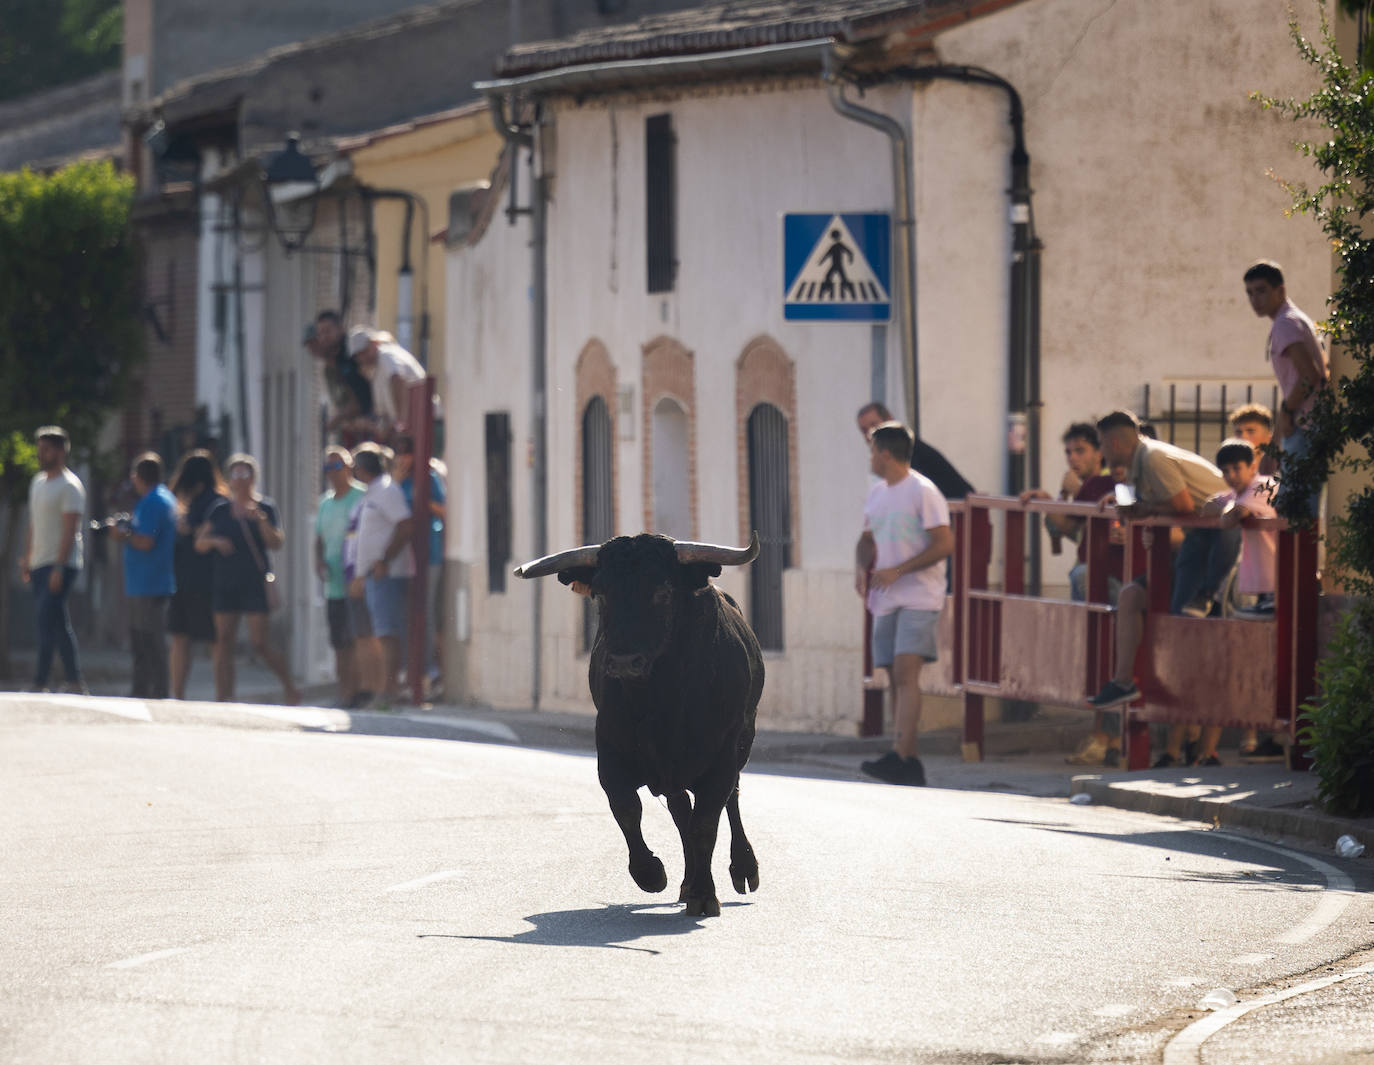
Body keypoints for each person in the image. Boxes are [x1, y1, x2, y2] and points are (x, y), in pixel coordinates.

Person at [1087, 411, 1235, 718]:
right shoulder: (1139, 461)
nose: (1100, 451)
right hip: (1196, 544)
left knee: (1182, 617)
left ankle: (1191, 704)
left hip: (1217, 545)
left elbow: (1180, 505)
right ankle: (1124, 682)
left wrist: (1140, 509)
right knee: (1132, 596)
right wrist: (1119, 500)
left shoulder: (1153, 457)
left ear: (1114, 441)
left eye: (1101, 444)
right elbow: (1138, 500)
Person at [1021, 423, 1128, 767]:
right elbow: (1070, 526)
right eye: (1068, 451)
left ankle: (1108, 738)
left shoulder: (1111, 482)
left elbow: (1075, 523)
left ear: (1102, 452)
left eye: (1080, 450)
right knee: (1102, 659)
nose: (1073, 457)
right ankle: (1109, 739)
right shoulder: (1090, 486)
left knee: (1106, 656)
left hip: (1116, 584)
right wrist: (1050, 501)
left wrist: (1072, 493)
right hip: (1103, 582)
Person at [854, 422, 954, 787]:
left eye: (871, 450)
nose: (869, 457)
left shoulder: (923, 491)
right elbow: (866, 540)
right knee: (893, 676)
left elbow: (945, 544)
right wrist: (860, 567)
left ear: (885, 453)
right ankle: (905, 757)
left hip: (920, 594)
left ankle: (903, 754)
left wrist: (900, 570)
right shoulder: (877, 493)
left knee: (906, 672)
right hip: (886, 596)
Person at [197, 454, 300, 705]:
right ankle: (224, 697)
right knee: (223, 642)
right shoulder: (220, 510)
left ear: (253, 478)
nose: (240, 480)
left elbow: (276, 543)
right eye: (235, 474)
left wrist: (261, 521)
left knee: (259, 643)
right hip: (225, 582)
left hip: (254, 583)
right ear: (229, 480)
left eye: (245, 474)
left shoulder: (265, 508)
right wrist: (215, 542)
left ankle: (290, 686)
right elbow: (199, 543)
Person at [1205, 438, 1285, 761]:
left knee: (1274, 661)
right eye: (1225, 470)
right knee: (1261, 661)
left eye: (1237, 467)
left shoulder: (1265, 485)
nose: (1231, 475)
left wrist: (1225, 507)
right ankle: (1267, 736)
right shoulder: (1242, 491)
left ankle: (1276, 737)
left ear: (1253, 465)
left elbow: (1227, 515)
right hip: (1260, 586)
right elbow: (1209, 505)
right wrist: (1223, 505)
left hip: (1278, 583)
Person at [1243, 261, 1330, 517]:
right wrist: (1277, 440)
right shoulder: (1293, 320)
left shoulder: (1286, 324)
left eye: (1261, 291)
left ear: (1279, 291)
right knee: (1294, 509)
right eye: (1249, 293)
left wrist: (1287, 413)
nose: (1254, 299)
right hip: (1307, 425)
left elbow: (1310, 376)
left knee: (1295, 514)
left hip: (1305, 426)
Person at [20, 426, 88, 694]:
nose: (40, 455)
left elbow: (70, 530)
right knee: (58, 623)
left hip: (61, 564)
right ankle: (74, 681)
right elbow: (33, 524)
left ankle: (40, 681)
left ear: (60, 452)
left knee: (45, 620)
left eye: (46, 450)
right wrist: (26, 558)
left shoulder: (70, 487)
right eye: (39, 449)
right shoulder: (37, 483)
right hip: (38, 563)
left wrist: (59, 567)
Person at [349, 443, 415, 705]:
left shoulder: (387, 491)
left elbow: (405, 525)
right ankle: (384, 689)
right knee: (380, 632)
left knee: (387, 632)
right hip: (374, 575)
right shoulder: (373, 492)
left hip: (386, 574)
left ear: (362, 468)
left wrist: (384, 559)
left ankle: (388, 691)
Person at [110, 453, 177, 699]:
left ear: (138, 476)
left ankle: (152, 690)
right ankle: (150, 688)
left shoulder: (152, 502)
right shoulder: (162, 498)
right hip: (149, 580)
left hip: (148, 582)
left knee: (147, 641)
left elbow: (146, 541)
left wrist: (123, 533)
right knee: (147, 639)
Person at [167, 450, 227, 700]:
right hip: (194, 579)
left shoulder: (212, 505)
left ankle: (181, 695)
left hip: (199, 579)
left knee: (197, 639)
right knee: (195, 638)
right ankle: (185, 695)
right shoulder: (208, 504)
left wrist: (187, 530)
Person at [315, 447, 369, 708]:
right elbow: (318, 539)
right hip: (334, 584)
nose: (332, 474)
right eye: (328, 469)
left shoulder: (362, 496)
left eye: (337, 467)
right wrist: (318, 560)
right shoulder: (325, 502)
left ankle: (360, 691)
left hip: (357, 581)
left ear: (349, 467)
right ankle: (345, 692)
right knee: (339, 642)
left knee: (357, 638)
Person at [393, 433, 446, 695]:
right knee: (403, 613)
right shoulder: (393, 481)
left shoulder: (429, 477)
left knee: (425, 612)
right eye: (399, 452)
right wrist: (395, 484)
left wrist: (421, 501)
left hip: (429, 553)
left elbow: (443, 510)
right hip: (400, 555)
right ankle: (406, 671)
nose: (403, 457)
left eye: (407, 452)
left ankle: (431, 672)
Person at [856, 401, 974, 501]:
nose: (869, 434)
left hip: (961, 512)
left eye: (874, 425)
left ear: (890, 421)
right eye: (864, 430)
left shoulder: (906, 448)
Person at [305, 310, 373, 445]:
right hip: (357, 428)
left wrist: (336, 420)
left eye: (328, 331)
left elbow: (359, 400)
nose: (324, 337)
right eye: (321, 333)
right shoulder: (335, 362)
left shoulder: (350, 354)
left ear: (340, 329)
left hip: (372, 423)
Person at [349, 327, 426, 442]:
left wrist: (400, 422)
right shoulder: (375, 371)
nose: (362, 358)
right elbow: (384, 413)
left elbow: (397, 380)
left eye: (364, 352)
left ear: (374, 343)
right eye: (358, 356)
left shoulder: (386, 355)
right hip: (413, 426)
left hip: (425, 419)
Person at [1229, 402, 1277, 478]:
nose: (1243, 437)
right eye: (1238, 432)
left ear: (1268, 438)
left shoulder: (1279, 472)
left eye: (1250, 431)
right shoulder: (1227, 473)